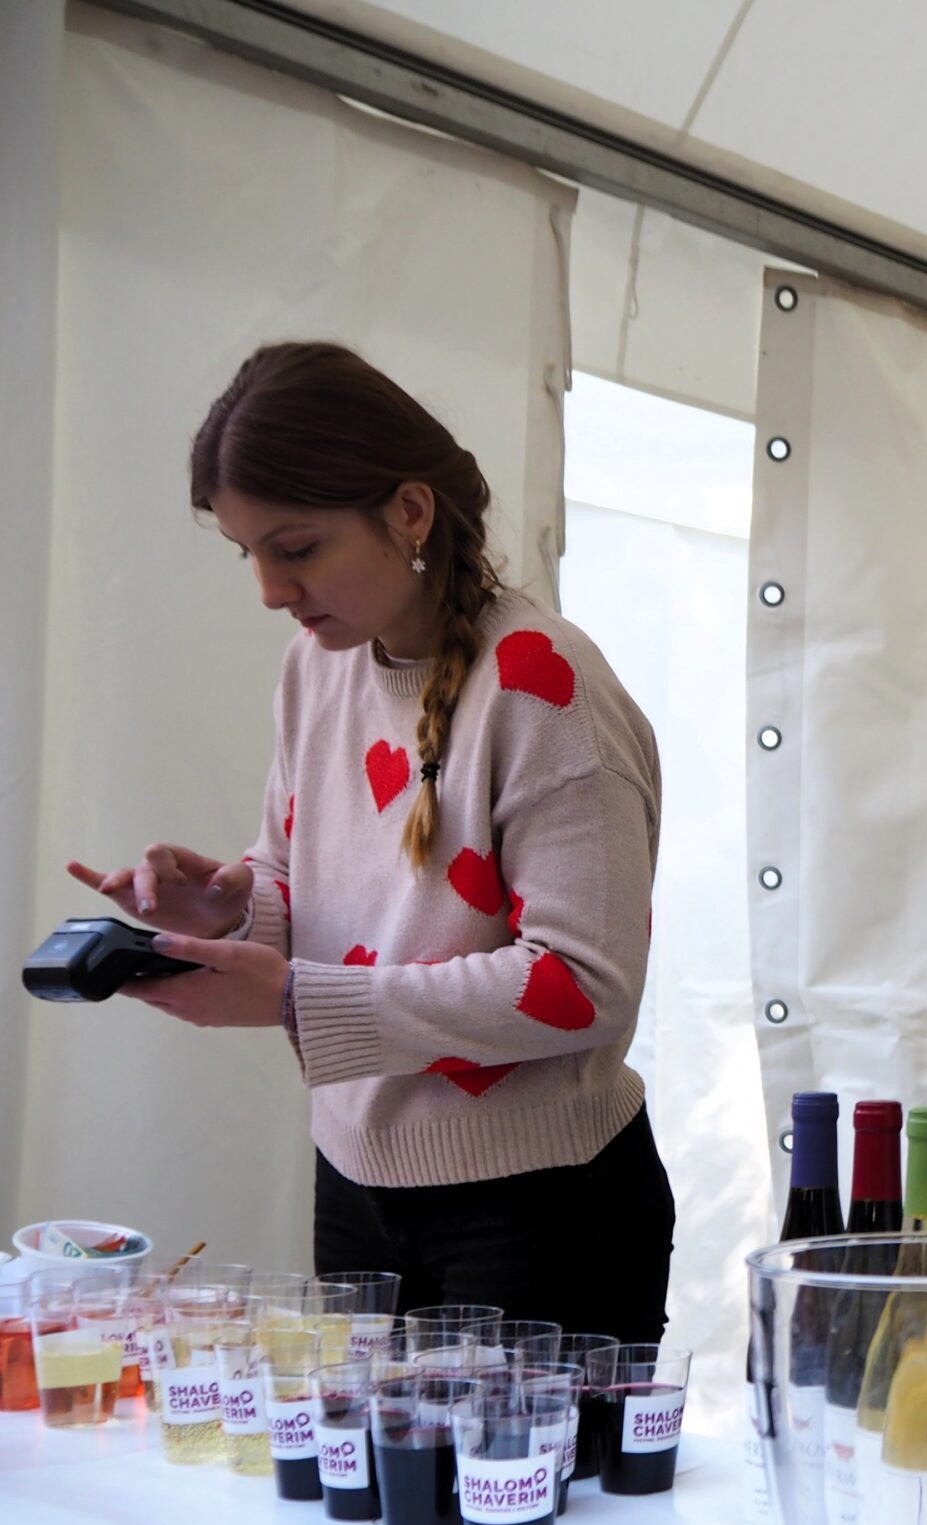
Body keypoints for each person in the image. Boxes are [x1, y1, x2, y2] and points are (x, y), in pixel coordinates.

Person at [70, 342, 674, 1343]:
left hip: (543, 1208)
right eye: (249, 553)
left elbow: (582, 985)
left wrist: (296, 998)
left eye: (296, 548)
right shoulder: (318, 666)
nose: (270, 589)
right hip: (355, 1181)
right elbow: (307, 879)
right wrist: (233, 907)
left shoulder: (544, 685)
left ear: (410, 512)